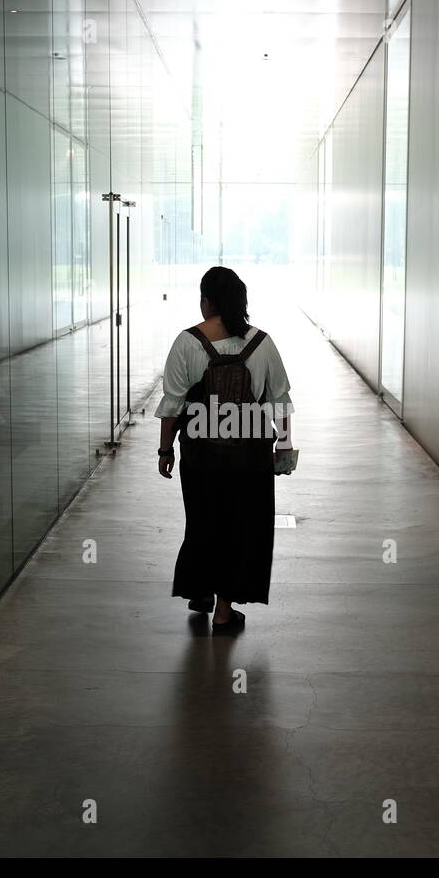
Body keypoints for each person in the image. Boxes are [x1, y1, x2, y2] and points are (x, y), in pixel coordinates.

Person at [155, 267, 294, 628]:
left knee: (203, 523)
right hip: (250, 457)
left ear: (206, 302)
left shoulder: (187, 342)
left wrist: (165, 450)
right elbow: (280, 400)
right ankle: (223, 610)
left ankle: (200, 589)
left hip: (202, 455)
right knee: (241, 528)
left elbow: (172, 404)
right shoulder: (262, 343)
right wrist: (285, 444)